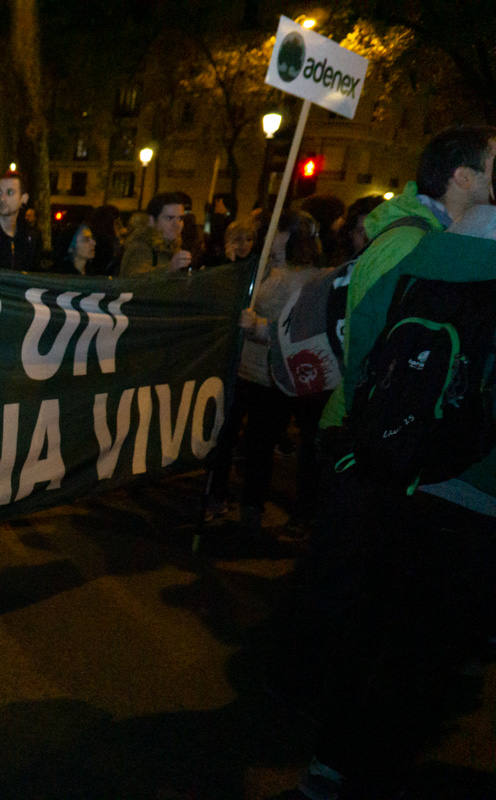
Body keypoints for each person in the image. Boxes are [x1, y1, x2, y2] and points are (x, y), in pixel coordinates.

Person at [275, 125, 496, 800]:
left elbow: (363, 342)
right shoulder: (414, 243)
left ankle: (333, 759)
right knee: (420, 641)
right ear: (461, 175)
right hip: (454, 480)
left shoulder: (416, 251)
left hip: (392, 460)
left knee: (376, 619)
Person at [205, 210, 326, 529]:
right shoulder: (261, 267)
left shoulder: (307, 278)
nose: (268, 238)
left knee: (260, 443)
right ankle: (218, 495)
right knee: (226, 434)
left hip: (273, 376)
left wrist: (261, 328)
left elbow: (302, 327)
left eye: (276, 231)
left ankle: (252, 511)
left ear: (290, 236)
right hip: (242, 368)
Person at [118, 191, 192, 276]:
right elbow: (134, 282)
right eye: (169, 218)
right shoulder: (140, 247)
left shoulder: (173, 246)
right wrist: (169, 268)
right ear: (152, 221)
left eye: (180, 218)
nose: (177, 225)